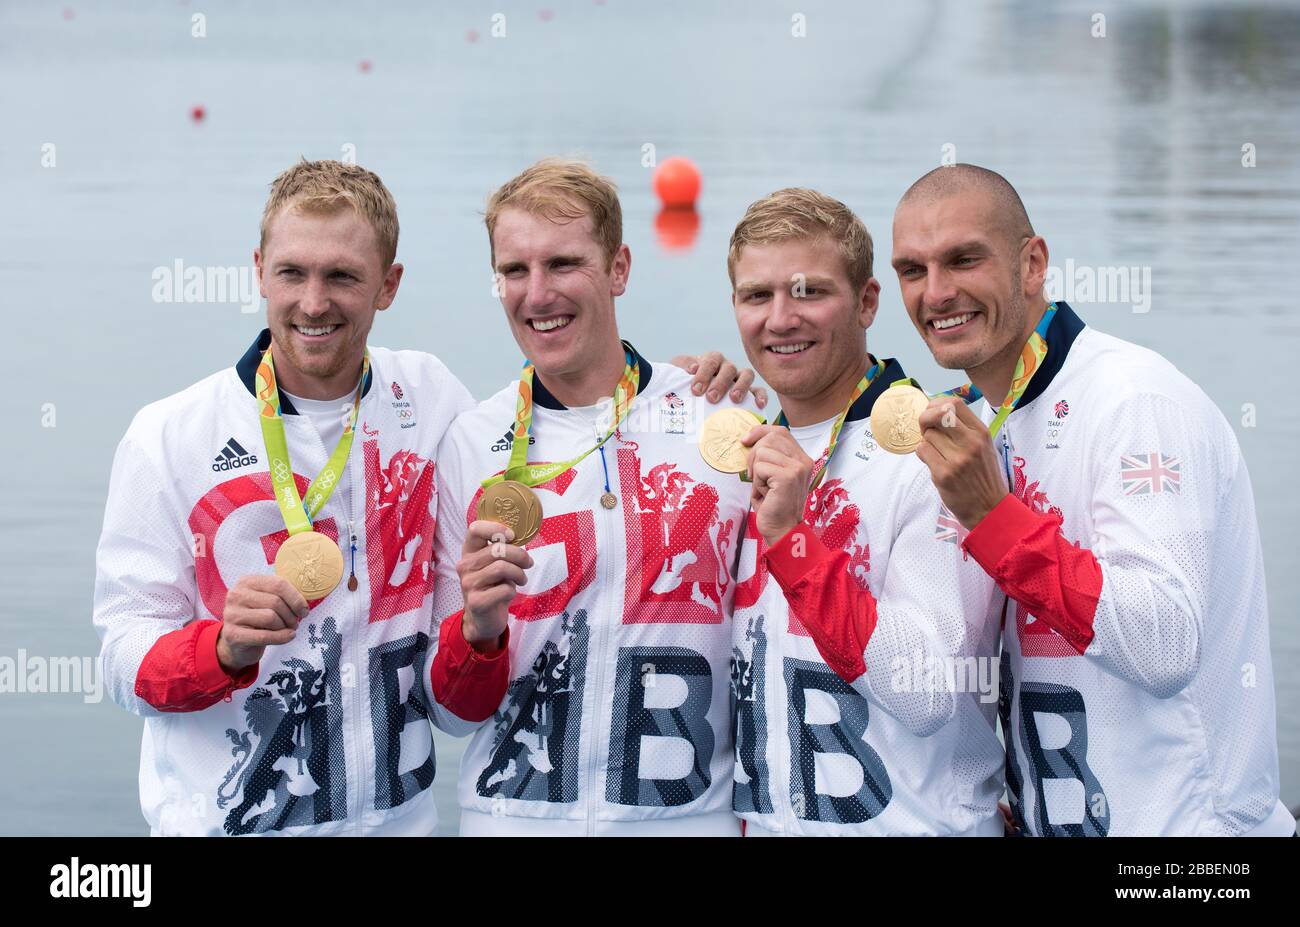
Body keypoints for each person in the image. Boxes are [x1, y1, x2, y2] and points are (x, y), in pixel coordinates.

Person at [92, 158, 756, 837]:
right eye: (292, 272)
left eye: (343, 275)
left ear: (388, 285)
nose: (314, 302)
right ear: (259, 269)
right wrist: (222, 650)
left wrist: (682, 390)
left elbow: (571, 417)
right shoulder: (169, 436)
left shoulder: (433, 404)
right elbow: (121, 654)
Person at [891, 163, 1292, 836]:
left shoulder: (1136, 400)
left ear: (1033, 262)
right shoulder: (982, 416)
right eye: (912, 269)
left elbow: (1163, 643)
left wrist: (994, 519)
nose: (937, 292)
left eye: (963, 259)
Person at [432, 158, 762, 835]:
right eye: (514, 271)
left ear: (619, 269)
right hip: (509, 820)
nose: (536, 293)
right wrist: (479, 632)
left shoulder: (718, 422)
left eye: (563, 263)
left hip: (686, 822)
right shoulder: (470, 441)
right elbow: (450, 713)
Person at [727, 188, 1004, 835]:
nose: (780, 319)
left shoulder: (932, 456)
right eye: (756, 296)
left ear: (868, 301)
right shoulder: (745, 450)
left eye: (808, 292)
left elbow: (926, 689)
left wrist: (794, 543)